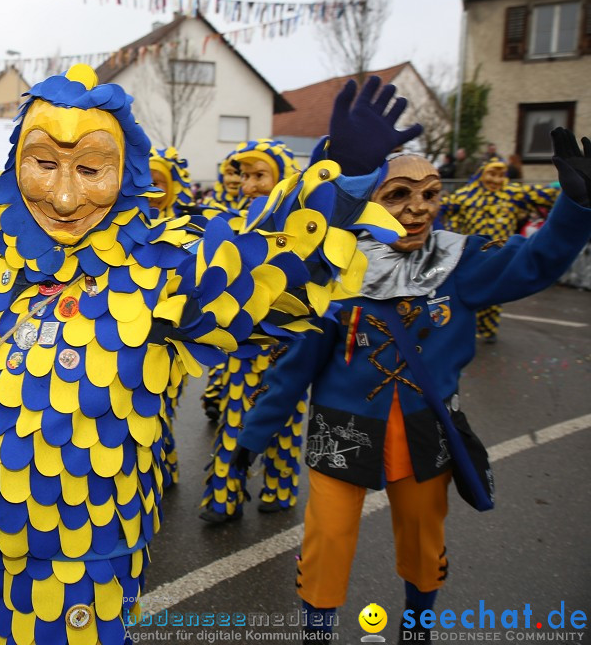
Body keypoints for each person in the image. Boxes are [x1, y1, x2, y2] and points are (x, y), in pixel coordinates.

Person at [0, 67, 410, 644]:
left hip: (82, 548)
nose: (63, 196)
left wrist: (345, 180)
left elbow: (272, 274)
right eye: (44, 163)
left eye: (89, 169)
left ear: (124, 173)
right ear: (15, 165)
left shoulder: (158, 268)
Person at [234, 132, 591, 641]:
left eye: (429, 194)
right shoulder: (336, 271)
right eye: (398, 195)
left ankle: (418, 627)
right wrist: (254, 436)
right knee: (327, 541)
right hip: (342, 431)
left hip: (427, 432)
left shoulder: (461, 262)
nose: (417, 208)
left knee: (424, 540)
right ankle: (317, 632)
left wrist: (575, 208)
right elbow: (297, 367)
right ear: (370, 204)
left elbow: (535, 263)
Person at [198, 139, 309, 520]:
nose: (249, 186)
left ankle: (279, 488)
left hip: (288, 345)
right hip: (243, 341)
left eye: (260, 176)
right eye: (245, 176)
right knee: (234, 416)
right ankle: (224, 497)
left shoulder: (306, 232)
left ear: (283, 179)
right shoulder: (237, 224)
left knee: (284, 418)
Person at [440, 157, 558, 342]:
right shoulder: (465, 195)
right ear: (481, 174)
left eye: (501, 175)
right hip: (470, 255)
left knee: (494, 293)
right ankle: (462, 331)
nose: (496, 180)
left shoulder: (513, 193)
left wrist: (563, 185)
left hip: (500, 254)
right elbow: (440, 208)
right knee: (463, 294)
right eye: (491, 174)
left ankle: (487, 331)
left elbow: (543, 195)